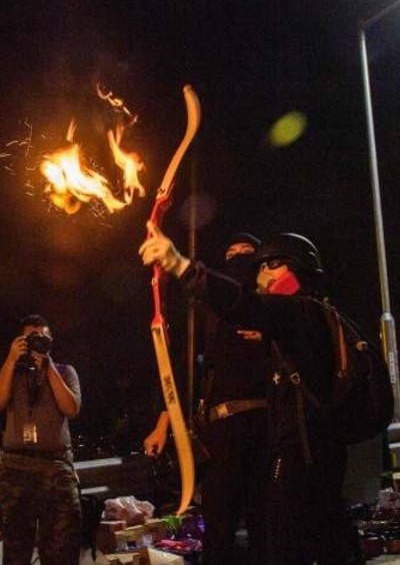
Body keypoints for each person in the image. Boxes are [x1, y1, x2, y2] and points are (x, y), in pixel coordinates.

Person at [141, 228, 363, 565]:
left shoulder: (302, 312)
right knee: (316, 539)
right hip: (305, 454)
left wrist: (179, 263)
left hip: (302, 457)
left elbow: (243, 304)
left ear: (294, 269)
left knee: (292, 544)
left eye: (266, 266)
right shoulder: (304, 319)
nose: (258, 274)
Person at [142, 232, 276, 565]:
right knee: (219, 524)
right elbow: (184, 371)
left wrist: (269, 337)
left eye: (248, 252)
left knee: (267, 524)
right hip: (222, 430)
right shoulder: (209, 310)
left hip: (270, 426)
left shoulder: (273, 305)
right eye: (232, 252)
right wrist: (163, 424)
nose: (239, 257)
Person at [0, 314, 82, 565]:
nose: (37, 343)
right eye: (31, 338)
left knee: (60, 550)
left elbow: (72, 409)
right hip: (16, 470)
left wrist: (48, 366)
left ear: (51, 341)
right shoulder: (12, 372)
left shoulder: (64, 371)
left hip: (55, 469)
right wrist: (10, 359)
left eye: (42, 337)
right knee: (16, 552)